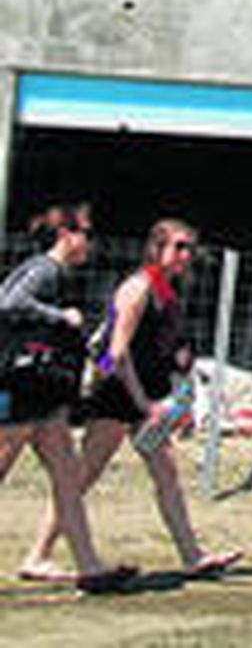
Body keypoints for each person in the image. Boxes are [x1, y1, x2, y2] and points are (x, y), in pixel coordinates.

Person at [23, 217, 241, 580]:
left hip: (147, 401)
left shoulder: (166, 293)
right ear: (157, 249)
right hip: (118, 396)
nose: (186, 254)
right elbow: (116, 353)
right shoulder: (137, 289)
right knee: (81, 477)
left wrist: (176, 374)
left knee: (166, 473)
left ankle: (193, 555)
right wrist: (144, 405)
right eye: (178, 246)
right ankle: (38, 554)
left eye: (190, 247)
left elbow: (162, 347)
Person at [0, 204, 136, 593]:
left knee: (67, 478)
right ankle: (76, 563)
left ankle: (84, 566)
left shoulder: (53, 272)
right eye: (87, 234)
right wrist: (62, 317)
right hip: (24, 387)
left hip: (44, 394)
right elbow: (7, 303)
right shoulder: (44, 269)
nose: (91, 243)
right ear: (67, 236)